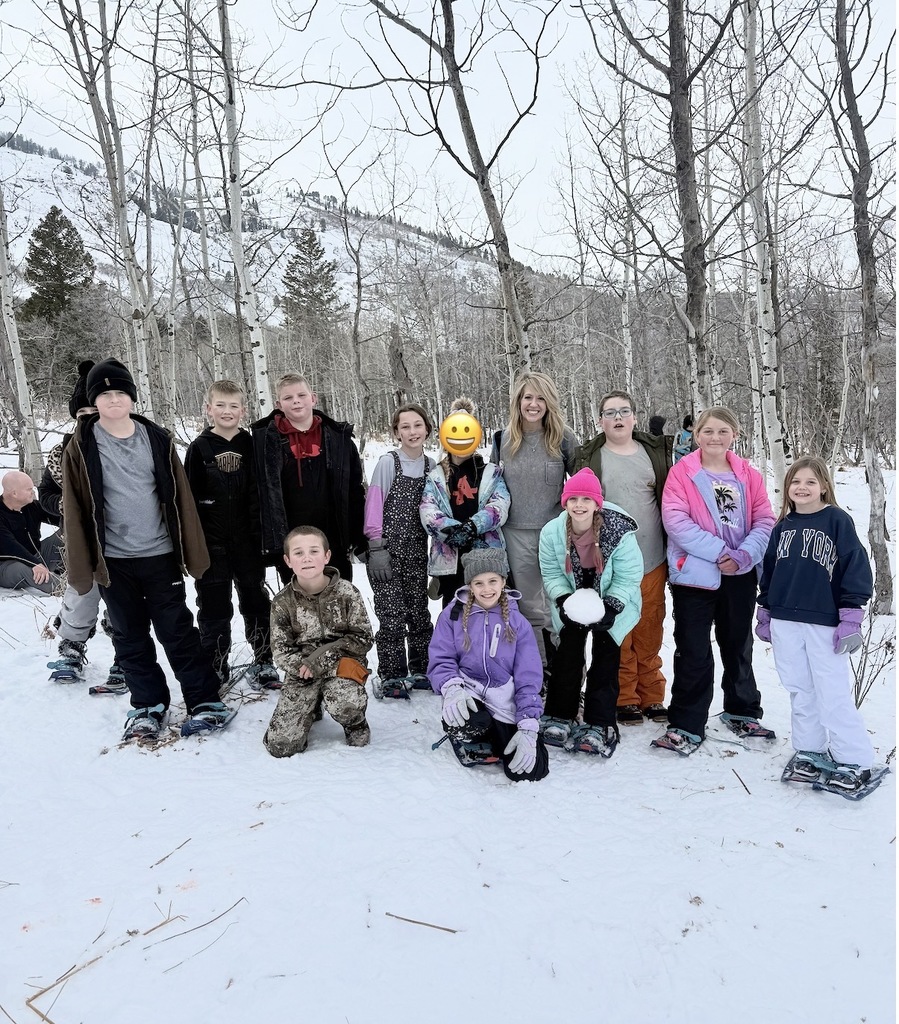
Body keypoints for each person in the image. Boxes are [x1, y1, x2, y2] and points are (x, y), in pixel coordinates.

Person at [61, 357, 233, 741]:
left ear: (132, 397)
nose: (114, 399)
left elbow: (180, 498)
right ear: (93, 400)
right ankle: (147, 705)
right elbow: (73, 507)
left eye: (121, 392)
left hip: (159, 554)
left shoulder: (156, 438)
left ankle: (205, 700)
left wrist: (192, 551)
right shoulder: (81, 445)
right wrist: (82, 563)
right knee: (128, 635)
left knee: (177, 631)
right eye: (105, 394)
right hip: (113, 561)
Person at [656, 406, 775, 755]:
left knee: (738, 644)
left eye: (723, 431)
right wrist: (720, 552)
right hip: (695, 574)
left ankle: (742, 709)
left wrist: (744, 555)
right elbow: (675, 520)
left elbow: (764, 519)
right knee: (693, 649)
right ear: (697, 435)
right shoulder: (682, 473)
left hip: (739, 573)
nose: (715, 437)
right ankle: (686, 723)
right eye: (708, 431)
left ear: (734, 435)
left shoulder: (748, 475)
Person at [756, 456, 875, 793]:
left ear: (824, 486)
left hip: (824, 622)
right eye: (795, 482)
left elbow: (855, 566)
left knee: (831, 691)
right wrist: (766, 610)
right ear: (786, 488)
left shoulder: (837, 520)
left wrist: (851, 616)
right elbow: (770, 572)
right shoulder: (782, 526)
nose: (802, 487)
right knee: (799, 688)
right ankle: (810, 750)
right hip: (785, 621)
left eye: (810, 482)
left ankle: (854, 759)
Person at [576, 390, 671, 725]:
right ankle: (625, 697)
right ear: (600, 421)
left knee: (649, 627)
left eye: (624, 411)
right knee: (619, 628)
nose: (618, 417)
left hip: (652, 558)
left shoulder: (653, 453)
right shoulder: (590, 457)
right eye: (610, 412)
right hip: (611, 562)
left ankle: (652, 695)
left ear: (634, 417)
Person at [538, 467, 643, 757]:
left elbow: (629, 575)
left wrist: (612, 606)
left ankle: (600, 721)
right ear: (565, 502)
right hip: (573, 597)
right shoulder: (552, 532)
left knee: (606, 657)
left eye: (586, 499)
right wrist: (563, 600)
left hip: (611, 598)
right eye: (573, 499)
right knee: (568, 655)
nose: (579, 505)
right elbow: (551, 573)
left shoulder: (617, 531)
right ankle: (560, 714)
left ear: (597, 503)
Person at [185, 379, 278, 691]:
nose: (227, 411)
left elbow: (264, 492)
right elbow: (188, 501)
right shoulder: (199, 448)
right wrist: (192, 545)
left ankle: (264, 659)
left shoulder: (252, 445)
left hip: (249, 543)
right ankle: (215, 664)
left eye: (234, 406)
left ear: (243, 410)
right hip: (211, 545)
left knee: (256, 601)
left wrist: (266, 538)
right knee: (213, 606)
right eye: (220, 405)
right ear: (208, 409)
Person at [427, 548, 549, 781]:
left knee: (529, 771)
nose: (486, 589)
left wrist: (528, 723)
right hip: (468, 691)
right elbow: (441, 657)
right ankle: (471, 740)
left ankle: (500, 737)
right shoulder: (452, 615)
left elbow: (528, 675)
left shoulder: (518, 622)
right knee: (470, 719)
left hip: (503, 698)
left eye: (493, 581)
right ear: (470, 586)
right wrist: (451, 688)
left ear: (503, 582)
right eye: (478, 583)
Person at [39, 360, 123, 691]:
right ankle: (71, 649)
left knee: (122, 598)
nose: (88, 418)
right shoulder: (62, 452)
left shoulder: (123, 444)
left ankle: (125, 654)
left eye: (94, 411)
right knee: (80, 594)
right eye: (82, 413)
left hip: (120, 538)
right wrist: (65, 506)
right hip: (79, 540)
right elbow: (45, 494)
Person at [490, 371, 578, 669]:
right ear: (518, 401)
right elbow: (491, 489)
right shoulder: (503, 440)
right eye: (528, 397)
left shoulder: (564, 438)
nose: (534, 404)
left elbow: (582, 486)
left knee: (560, 601)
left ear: (549, 402)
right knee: (529, 605)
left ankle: (567, 670)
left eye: (541, 398)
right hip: (516, 533)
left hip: (555, 532)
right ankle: (538, 669)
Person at [263, 526, 374, 756]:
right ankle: (311, 706)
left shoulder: (347, 593)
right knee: (281, 747)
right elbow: (281, 651)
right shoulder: (282, 602)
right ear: (288, 560)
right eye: (299, 553)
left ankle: (355, 722)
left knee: (345, 702)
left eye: (314, 551)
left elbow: (362, 638)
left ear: (326, 556)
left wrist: (322, 661)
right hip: (303, 672)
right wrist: (305, 667)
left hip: (342, 665)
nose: (307, 558)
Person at [251, 373, 366, 582]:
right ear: (278, 405)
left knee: (339, 595)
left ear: (313, 398)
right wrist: (269, 543)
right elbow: (258, 495)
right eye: (288, 397)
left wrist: (358, 535)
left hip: (333, 539)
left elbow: (354, 489)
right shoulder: (265, 442)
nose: (296, 401)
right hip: (291, 541)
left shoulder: (337, 437)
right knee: (298, 598)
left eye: (301, 395)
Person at [363, 402, 436, 698]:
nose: (412, 431)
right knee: (392, 614)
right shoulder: (388, 463)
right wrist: (376, 546)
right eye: (405, 426)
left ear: (427, 429)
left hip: (417, 551)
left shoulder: (432, 467)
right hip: (387, 553)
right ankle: (392, 674)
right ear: (396, 432)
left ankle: (422, 668)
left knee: (418, 612)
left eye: (418, 425)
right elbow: (374, 505)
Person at [420, 396, 510, 607]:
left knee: (489, 611)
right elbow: (428, 509)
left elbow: (500, 505)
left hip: (485, 556)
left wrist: (473, 526)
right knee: (454, 612)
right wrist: (452, 530)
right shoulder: (435, 476)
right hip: (450, 561)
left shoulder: (491, 473)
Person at [0, 470, 64, 594]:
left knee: (69, 532)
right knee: (24, 570)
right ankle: (65, 588)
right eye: (29, 489)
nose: (33, 492)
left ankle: (79, 573)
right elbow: (10, 546)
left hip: (36, 556)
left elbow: (59, 519)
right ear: (14, 493)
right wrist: (34, 564)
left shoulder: (31, 506)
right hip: (7, 566)